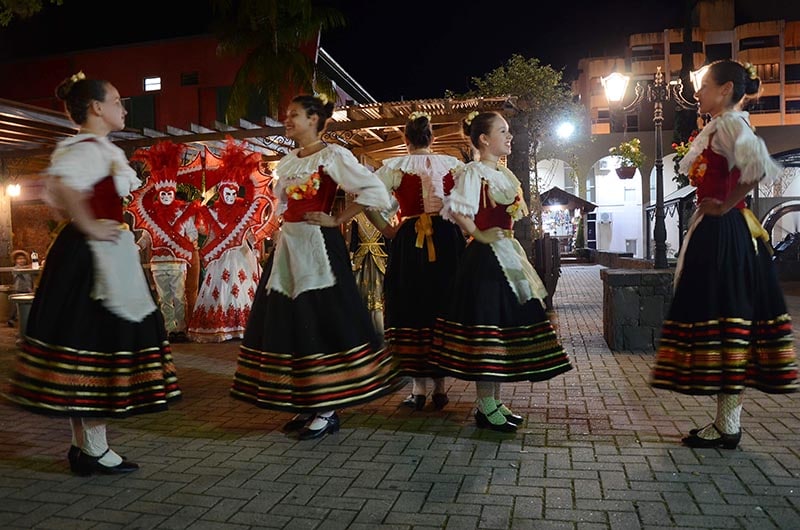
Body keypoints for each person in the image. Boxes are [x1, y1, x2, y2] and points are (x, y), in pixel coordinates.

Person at [3, 72, 180, 476]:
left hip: (97, 252)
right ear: (97, 108)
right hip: (94, 258)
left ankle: (84, 447)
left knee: (88, 343)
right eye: (117, 100)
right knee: (99, 342)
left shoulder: (97, 148)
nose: (123, 107)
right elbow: (63, 186)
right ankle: (94, 450)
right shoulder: (86, 147)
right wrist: (89, 223)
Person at [231, 94, 400, 440]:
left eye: (294, 114)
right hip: (289, 248)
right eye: (287, 114)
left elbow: (372, 190)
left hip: (319, 247)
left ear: (315, 120)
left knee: (322, 319)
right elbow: (281, 206)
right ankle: (308, 401)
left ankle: (327, 408)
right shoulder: (290, 160)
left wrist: (337, 217)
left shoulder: (333, 155)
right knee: (293, 320)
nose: (287, 119)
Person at [651, 59, 798, 449]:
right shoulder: (720, 126)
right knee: (723, 321)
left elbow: (759, 169)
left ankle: (728, 425)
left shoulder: (731, 124)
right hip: (719, 230)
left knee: (724, 319)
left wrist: (727, 202)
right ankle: (725, 423)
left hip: (723, 232)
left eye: (703, 86)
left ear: (726, 89)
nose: (697, 93)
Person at [430, 111, 573, 432]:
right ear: (483, 139)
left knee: (505, 327)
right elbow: (457, 209)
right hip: (484, 260)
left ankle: (493, 402)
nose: (509, 137)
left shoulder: (504, 176)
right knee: (487, 329)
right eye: (502, 131)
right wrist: (479, 235)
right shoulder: (473, 173)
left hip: (507, 255)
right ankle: (484, 405)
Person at [366, 111, 466, 411]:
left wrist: (387, 228)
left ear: (405, 139)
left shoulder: (395, 167)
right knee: (444, 303)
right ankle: (440, 388)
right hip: (448, 238)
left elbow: (366, 196)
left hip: (411, 240)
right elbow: (469, 198)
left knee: (411, 304)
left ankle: (418, 389)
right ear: (432, 138)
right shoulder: (452, 165)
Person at [187, 139, 268, 343]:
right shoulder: (212, 211)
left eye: (233, 193)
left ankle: (244, 325)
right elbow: (207, 232)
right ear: (221, 192)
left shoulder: (244, 209)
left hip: (242, 253)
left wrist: (254, 242)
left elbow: (249, 232)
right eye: (227, 193)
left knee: (245, 286)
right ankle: (221, 326)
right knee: (220, 286)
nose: (231, 196)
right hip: (220, 256)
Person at [130, 140, 200, 343]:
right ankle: (170, 329)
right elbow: (146, 236)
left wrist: (194, 241)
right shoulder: (150, 213)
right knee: (164, 299)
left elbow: (192, 231)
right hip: (158, 262)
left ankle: (181, 328)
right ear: (159, 193)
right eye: (163, 193)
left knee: (179, 297)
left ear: (173, 191)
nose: (167, 196)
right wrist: (137, 246)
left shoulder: (183, 211)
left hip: (178, 261)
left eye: (170, 193)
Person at [7, 250, 34, 327]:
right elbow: (19, 270)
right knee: (15, 306)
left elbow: (30, 279)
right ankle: (11, 319)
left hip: (27, 289)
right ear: (15, 260)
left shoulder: (28, 270)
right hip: (19, 289)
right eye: (19, 259)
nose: (21, 260)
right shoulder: (16, 268)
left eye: (23, 258)